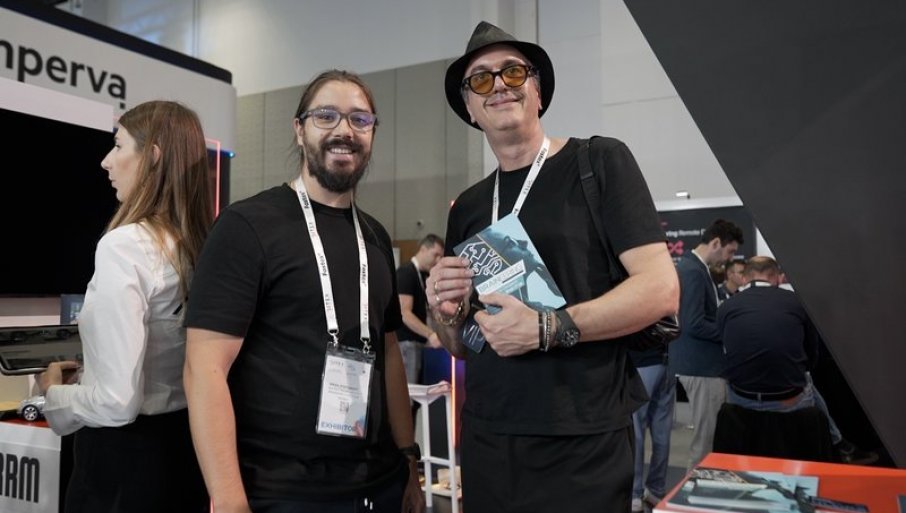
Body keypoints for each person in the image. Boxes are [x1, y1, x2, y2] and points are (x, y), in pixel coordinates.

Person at [429, 21, 679, 512]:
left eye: (513, 72)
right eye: (481, 79)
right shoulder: (469, 206)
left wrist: (547, 327)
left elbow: (660, 290)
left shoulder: (598, 162)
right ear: (470, 109)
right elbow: (462, 345)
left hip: (582, 438)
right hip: (488, 438)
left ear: (538, 92)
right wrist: (446, 309)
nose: (499, 85)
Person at [183, 70, 425, 513]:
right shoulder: (247, 227)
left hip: (378, 485)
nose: (344, 131)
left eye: (360, 119)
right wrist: (230, 500)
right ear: (299, 129)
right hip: (283, 491)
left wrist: (408, 458)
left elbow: (388, 350)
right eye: (326, 116)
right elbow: (204, 368)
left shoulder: (374, 236)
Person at [36, 100, 212, 513]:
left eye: (118, 146)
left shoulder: (124, 245)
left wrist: (54, 395)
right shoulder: (201, 245)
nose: (106, 161)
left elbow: (117, 402)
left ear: (152, 156)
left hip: (121, 467)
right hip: (185, 454)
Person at [719, 256, 879, 465]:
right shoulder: (795, 302)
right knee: (806, 379)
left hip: (742, 399)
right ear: (777, 277)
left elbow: (725, 347)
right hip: (788, 399)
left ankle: (840, 443)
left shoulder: (727, 306)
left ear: (744, 278)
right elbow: (812, 352)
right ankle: (839, 444)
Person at [669, 218, 743, 469]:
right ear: (715, 243)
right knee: (706, 441)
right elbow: (694, 324)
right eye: (730, 251)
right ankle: (696, 488)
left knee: (711, 437)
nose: (730, 258)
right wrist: (730, 332)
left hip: (705, 366)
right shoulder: (692, 271)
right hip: (701, 367)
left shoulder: (697, 269)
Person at [629, 343, 674, 512]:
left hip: (641, 363)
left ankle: (635, 492)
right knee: (662, 431)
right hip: (667, 362)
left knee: (636, 430)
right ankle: (657, 488)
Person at [396, 233, 445, 385]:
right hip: (407, 343)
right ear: (423, 249)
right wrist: (430, 334)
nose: (438, 260)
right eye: (435, 255)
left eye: (441, 257)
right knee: (410, 391)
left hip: (417, 344)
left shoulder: (422, 275)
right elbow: (404, 313)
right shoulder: (406, 272)